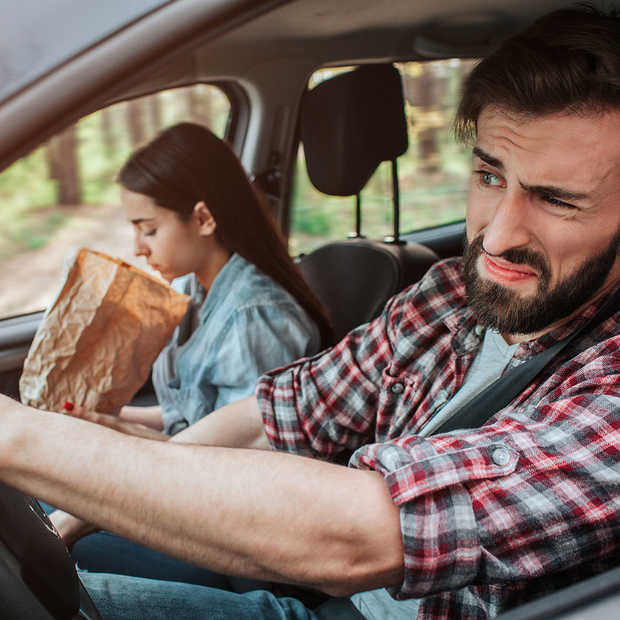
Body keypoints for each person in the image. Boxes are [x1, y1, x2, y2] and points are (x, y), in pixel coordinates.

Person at [1, 5, 619, 619]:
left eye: (557, 200)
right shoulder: (448, 297)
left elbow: (357, 535)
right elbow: (276, 415)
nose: (495, 237)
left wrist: (20, 438)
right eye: (489, 175)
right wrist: (62, 524)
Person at [48, 122, 332, 588]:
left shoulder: (256, 316)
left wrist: (123, 452)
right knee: (36, 497)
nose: (138, 248)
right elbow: (197, 416)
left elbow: (245, 466)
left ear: (202, 219)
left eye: (149, 230)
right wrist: (119, 424)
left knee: (43, 542)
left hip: (230, 532)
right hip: (182, 492)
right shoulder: (191, 290)